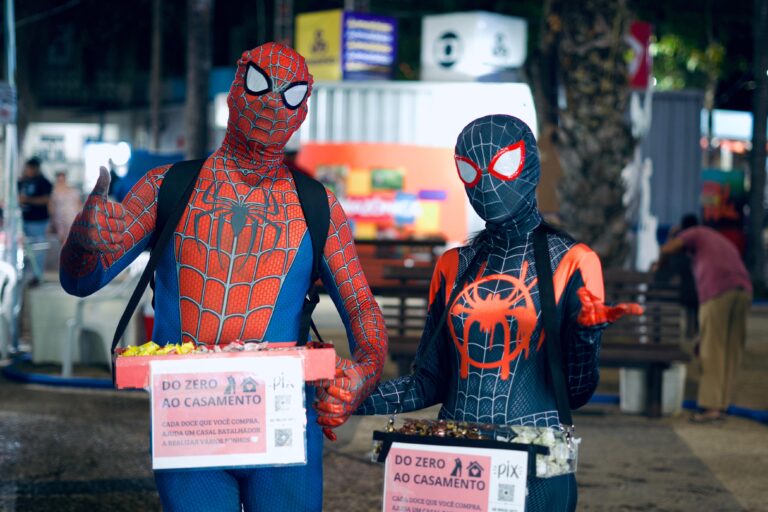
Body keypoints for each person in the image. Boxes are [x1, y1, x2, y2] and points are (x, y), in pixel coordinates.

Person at [60, 42, 387, 511]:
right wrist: (83, 240)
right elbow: (82, 280)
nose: (273, 102)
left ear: (303, 109)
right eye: (259, 83)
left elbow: (360, 305)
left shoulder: (318, 207)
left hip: (284, 420)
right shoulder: (166, 188)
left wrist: (366, 369)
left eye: (291, 94)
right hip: (189, 423)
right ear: (235, 88)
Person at [316, 115, 640, 511]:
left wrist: (586, 338)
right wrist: (355, 398)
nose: (487, 183)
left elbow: (575, 392)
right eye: (470, 170)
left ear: (531, 165)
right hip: (454, 463)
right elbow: (428, 382)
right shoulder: (453, 265)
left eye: (503, 164)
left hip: (536, 462)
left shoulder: (572, 261)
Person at [654, 214, 752, 423]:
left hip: (717, 291)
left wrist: (659, 263)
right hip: (743, 290)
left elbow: (668, 248)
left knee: (712, 350)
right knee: (730, 352)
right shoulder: (716, 238)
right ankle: (722, 405)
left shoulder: (693, 233)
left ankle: (710, 408)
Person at [18, 157, 53, 283]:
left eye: (32, 168)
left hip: (38, 221)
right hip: (22, 221)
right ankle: (24, 276)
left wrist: (27, 200)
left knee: (37, 250)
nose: (29, 171)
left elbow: (46, 200)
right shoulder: (21, 182)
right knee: (23, 250)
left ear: (37, 168)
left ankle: (36, 276)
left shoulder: (44, 182)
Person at [49, 170, 83, 246]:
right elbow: (52, 206)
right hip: (59, 218)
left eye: (62, 179)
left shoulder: (73, 191)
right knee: (62, 239)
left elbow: (79, 205)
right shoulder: (54, 192)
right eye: (59, 179)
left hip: (71, 217)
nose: (61, 181)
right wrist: (52, 220)